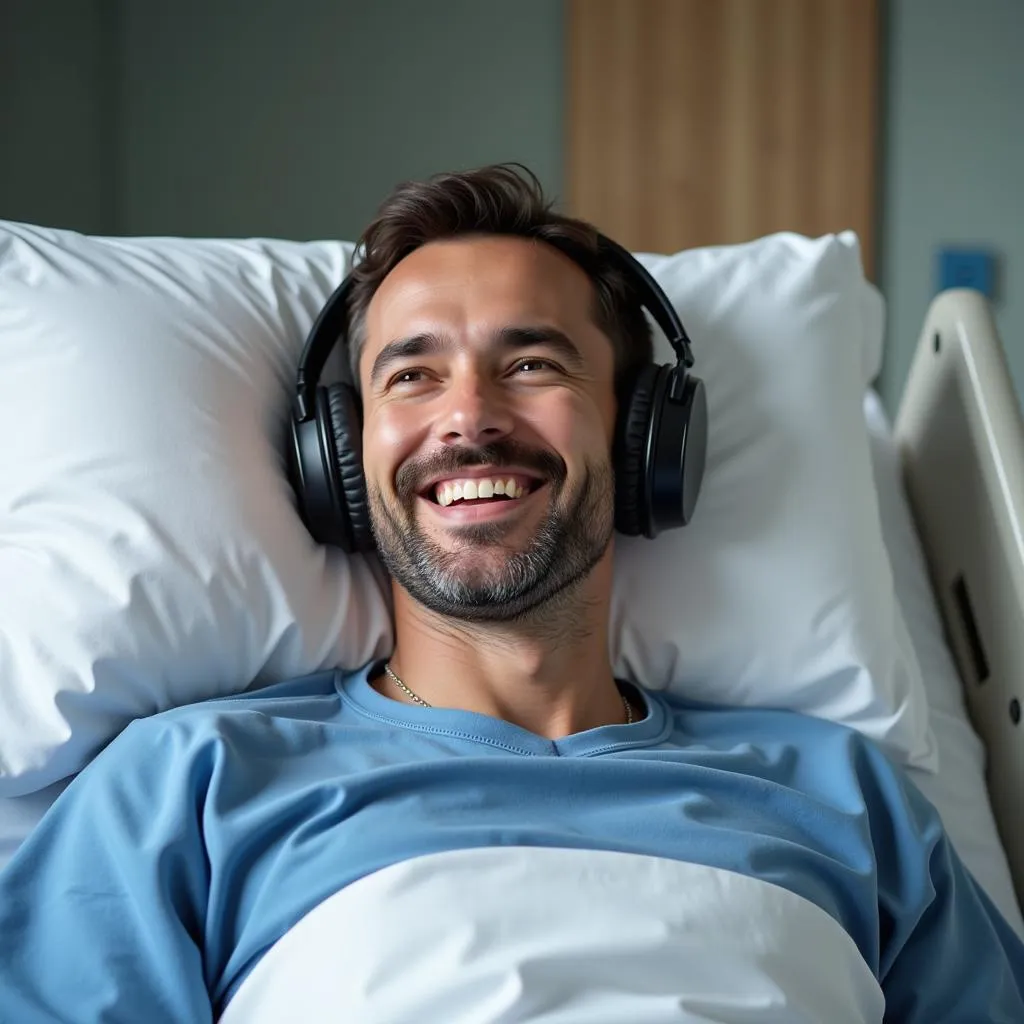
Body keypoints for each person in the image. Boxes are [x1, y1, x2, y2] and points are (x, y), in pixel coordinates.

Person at [1, 165, 1022, 1023]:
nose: (468, 418)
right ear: (341, 466)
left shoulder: (845, 797)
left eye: (530, 361)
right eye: (411, 377)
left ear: (644, 440)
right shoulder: (192, 788)